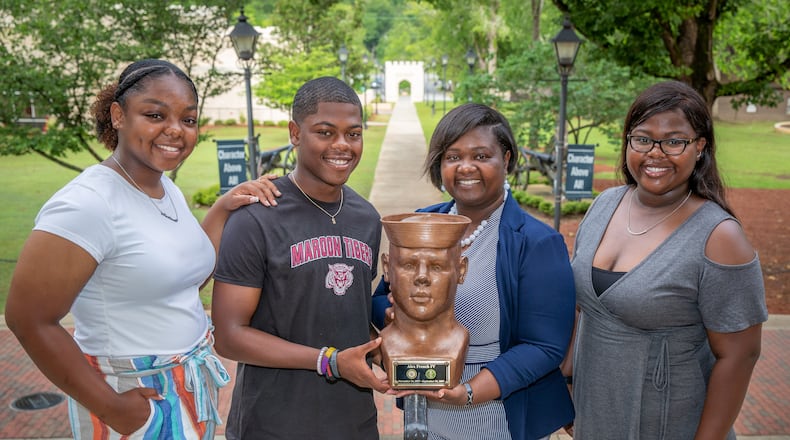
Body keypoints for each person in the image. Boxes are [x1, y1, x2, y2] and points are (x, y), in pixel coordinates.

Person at [5, 59, 280, 439]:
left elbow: (182, 277)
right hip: (134, 393)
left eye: (188, 119)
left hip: (187, 385)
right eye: (155, 114)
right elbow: (28, 319)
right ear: (118, 115)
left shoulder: (165, 188)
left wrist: (222, 207)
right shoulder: (87, 204)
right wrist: (115, 410)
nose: (175, 130)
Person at [564, 80, 768, 439]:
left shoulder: (719, 237)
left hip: (668, 424)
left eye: (674, 141)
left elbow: (740, 356)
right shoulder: (604, 206)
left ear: (700, 147)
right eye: (643, 139)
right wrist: (565, 385)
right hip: (596, 414)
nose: (655, 153)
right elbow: (582, 311)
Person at [372, 103, 576, 440]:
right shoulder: (422, 223)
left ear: (506, 159)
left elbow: (545, 346)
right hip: (423, 413)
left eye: (481, 156)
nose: (466, 167)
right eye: (453, 157)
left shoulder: (537, 243)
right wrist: (397, 318)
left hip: (493, 415)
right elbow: (381, 297)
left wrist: (469, 392)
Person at [211, 76, 388, 440]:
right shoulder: (256, 217)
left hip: (353, 424)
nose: (342, 145)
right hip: (273, 425)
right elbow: (228, 336)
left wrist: (387, 344)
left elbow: (346, 309)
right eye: (325, 132)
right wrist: (329, 361)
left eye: (353, 134)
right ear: (295, 132)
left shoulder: (367, 217)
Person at [378, 213, 470, 390]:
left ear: (461, 271)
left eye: (437, 267)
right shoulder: (387, 341)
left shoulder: (458, 342)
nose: (422, 277)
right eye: (408, 265)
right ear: (387, 268)